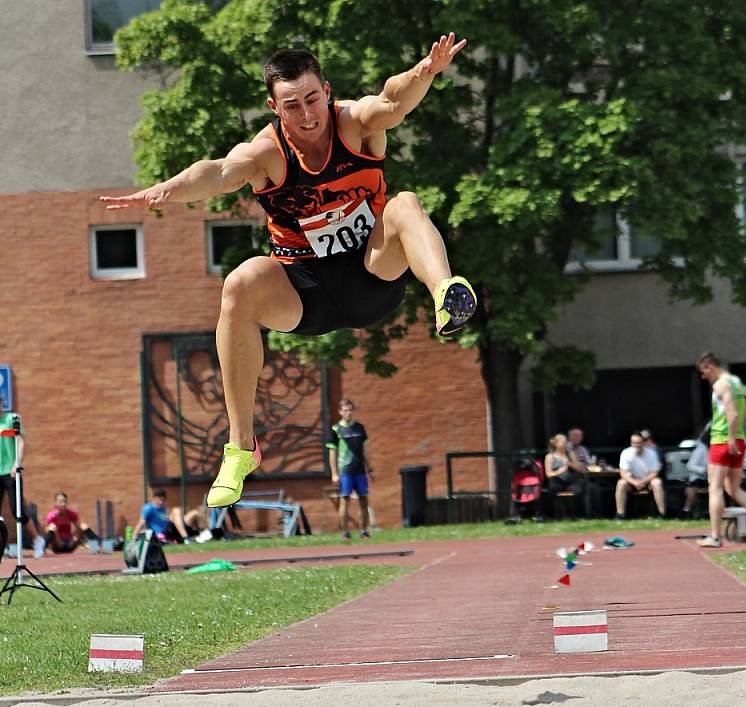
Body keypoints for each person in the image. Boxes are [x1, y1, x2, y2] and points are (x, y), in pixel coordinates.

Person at [100, 34, 477, 510]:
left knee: (404, 205)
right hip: (307, 293)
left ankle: (446, 292)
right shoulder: (268, 152)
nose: (307, 116)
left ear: (328, 91)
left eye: (313, 99)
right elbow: (216, 172)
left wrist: (426, 70)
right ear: (274, 107)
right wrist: (166, 190)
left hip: (371, 276)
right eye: (292, 105)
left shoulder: (354, 124)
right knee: (240, 282)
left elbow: (391, 99)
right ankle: (240, 448)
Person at [695, 352, 746, 547]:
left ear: (710, 366)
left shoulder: (721, 384)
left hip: (722, 441)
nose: (703, 377)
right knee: (733, 488)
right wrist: (736, 438)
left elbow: (733, 413)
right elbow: (745, 413)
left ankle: (715, 536)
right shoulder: (736, 381)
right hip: (739, 440)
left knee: (715, 488)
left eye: (703, 372)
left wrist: (729, 439)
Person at [0, 402, 46, 558]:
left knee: (16, 510)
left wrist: (16, 463)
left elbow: (20, 441)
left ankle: (37, 540)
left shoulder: (11, 419)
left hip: (11, 472)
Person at [326, 398, 374, 539]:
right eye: (345, 410)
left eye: (350, 410)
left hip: (360, 470)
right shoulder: (336, 429)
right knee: (345, 500)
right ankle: (345, 532)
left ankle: (363, 531)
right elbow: (332, 453)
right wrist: (334, 473)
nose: (348, 413)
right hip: (345, 471)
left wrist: (370, 469)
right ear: (340, 412)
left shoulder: (359, 427)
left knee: (363, 500)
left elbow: (365, 450)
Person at [615, 432, 666, 519]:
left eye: (638, 443)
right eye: (634, 443)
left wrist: (643, 481)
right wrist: (634, 482)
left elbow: (654, 473)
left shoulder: (652, 454)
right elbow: (623, 473)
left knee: (657, 482)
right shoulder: (625, 453)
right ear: (631, 443)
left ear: (643, 443)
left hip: (648, 482)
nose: (636, 445)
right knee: (621, 483)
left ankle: (662, 514)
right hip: (631, 483)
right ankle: (620, 514)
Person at [679, 429, 710, 520]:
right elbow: (690, 465)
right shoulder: (701, 449)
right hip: (699, 477)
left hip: (710, 478)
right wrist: (704, 470)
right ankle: (686, 510)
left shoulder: (713, 449)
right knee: (694, 486)